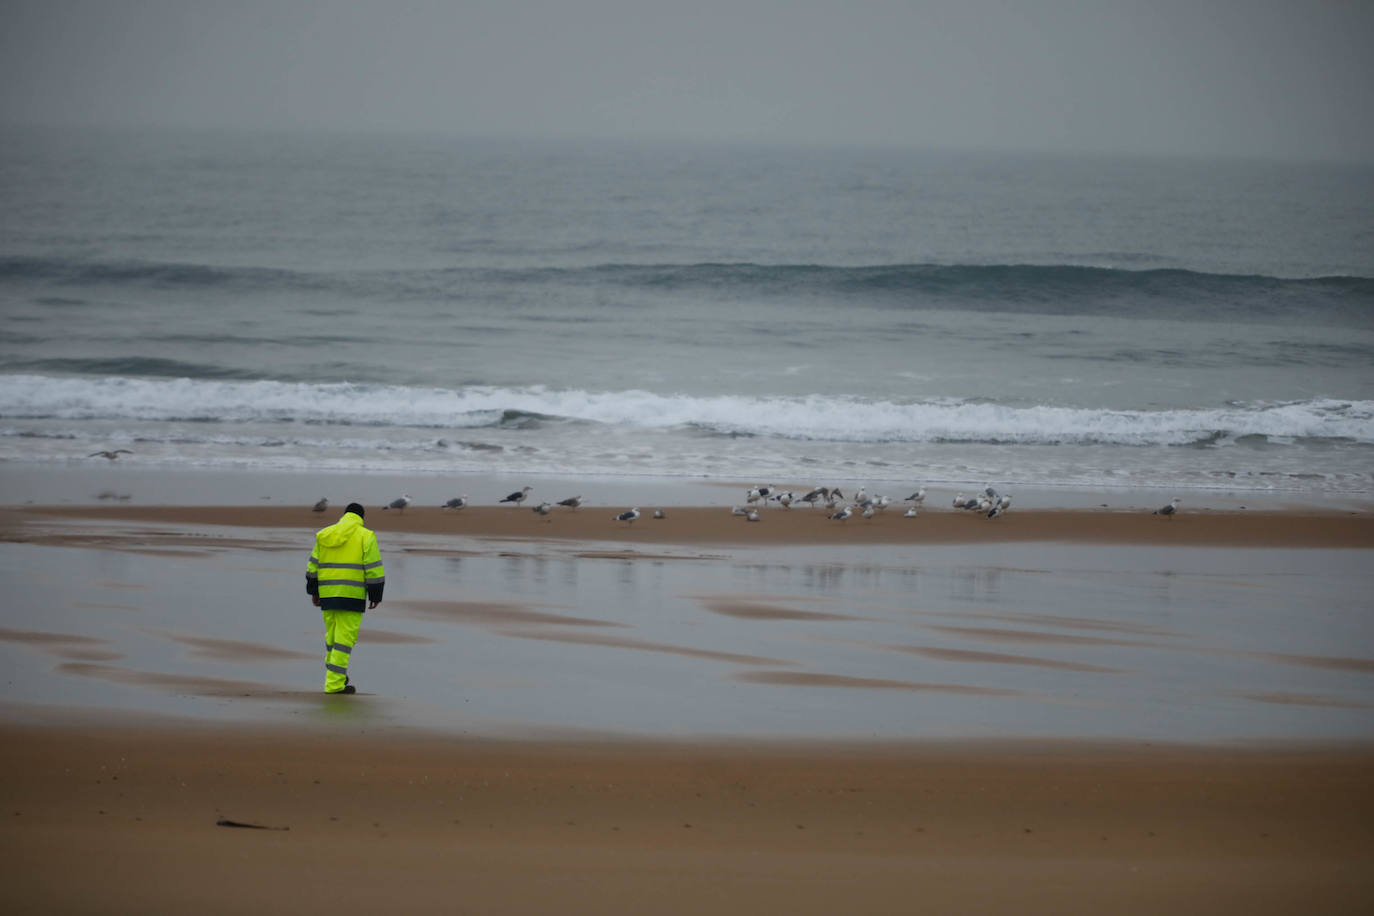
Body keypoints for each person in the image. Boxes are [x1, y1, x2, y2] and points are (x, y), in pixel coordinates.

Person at [305, 502, 385, 694]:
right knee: (343, 641)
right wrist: (375, 595)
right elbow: (373, 569)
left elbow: (312, 567)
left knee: (332, 638)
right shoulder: (366, 536)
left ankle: (337, 676)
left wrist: (314, 592)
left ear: (344, 515)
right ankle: (334, 684)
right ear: (361, 517)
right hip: (352, 595)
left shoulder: (324, 534)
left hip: (327, 594)